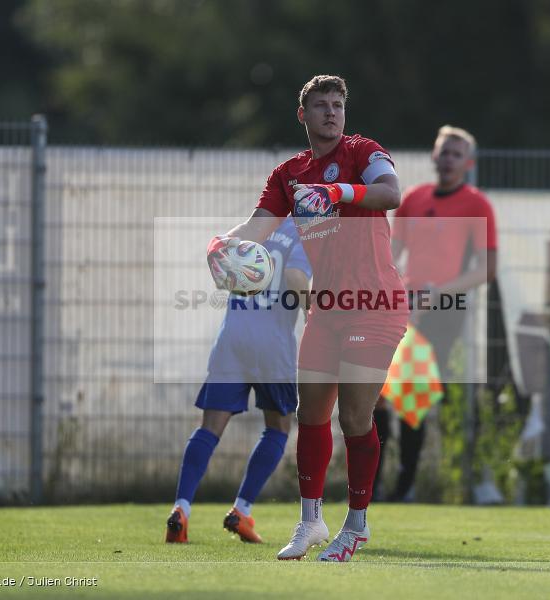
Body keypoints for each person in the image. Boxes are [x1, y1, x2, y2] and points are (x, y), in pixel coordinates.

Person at [205, 75, 407, 562]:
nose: (332, 113)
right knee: (310, 415)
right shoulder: (288, 174)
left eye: (338, 105)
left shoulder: (363, 151)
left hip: (375, 304)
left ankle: (356, 526)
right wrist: (221, 245)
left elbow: (391, 192)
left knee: (354, 417)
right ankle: (311, 521)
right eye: (321, 106)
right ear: (303, 115)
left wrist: (341, 193)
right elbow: (257, 228)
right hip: (327, 307)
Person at [166, 217, 312, 544]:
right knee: (278, 428)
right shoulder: (306, 231)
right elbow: (294, 275)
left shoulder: (258, 224)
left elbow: (216, 249)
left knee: (209, 428)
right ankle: (241, 510)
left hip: (232, 336)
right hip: (272, 345)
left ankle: (181, 509)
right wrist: (312, 308)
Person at [375, 125, 498, 502]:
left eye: (456, 154)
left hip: (445, 310)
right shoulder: (413, 198)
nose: (448, 160)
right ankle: (372, 482)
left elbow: (487, 268)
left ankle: (404, 486)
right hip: (404, 305)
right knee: (376, 394)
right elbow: (391, 254)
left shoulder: (477, 205)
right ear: (433, 156)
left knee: (412, 394)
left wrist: (439, 292)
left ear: (468, 163)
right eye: (443, 152)